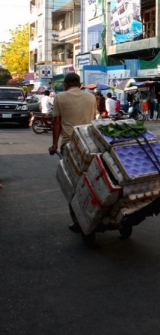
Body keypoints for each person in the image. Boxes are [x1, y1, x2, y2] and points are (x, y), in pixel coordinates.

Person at [48, 73, 96, 231]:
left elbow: (56, 122)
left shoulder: (60, 97)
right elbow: (93, 119)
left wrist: (54, 145)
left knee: (72, 183)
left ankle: (77, 220)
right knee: (92, 180)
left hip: (70, 144)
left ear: (66, 84)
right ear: (79, 84)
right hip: (90, 143)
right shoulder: (91, 97)